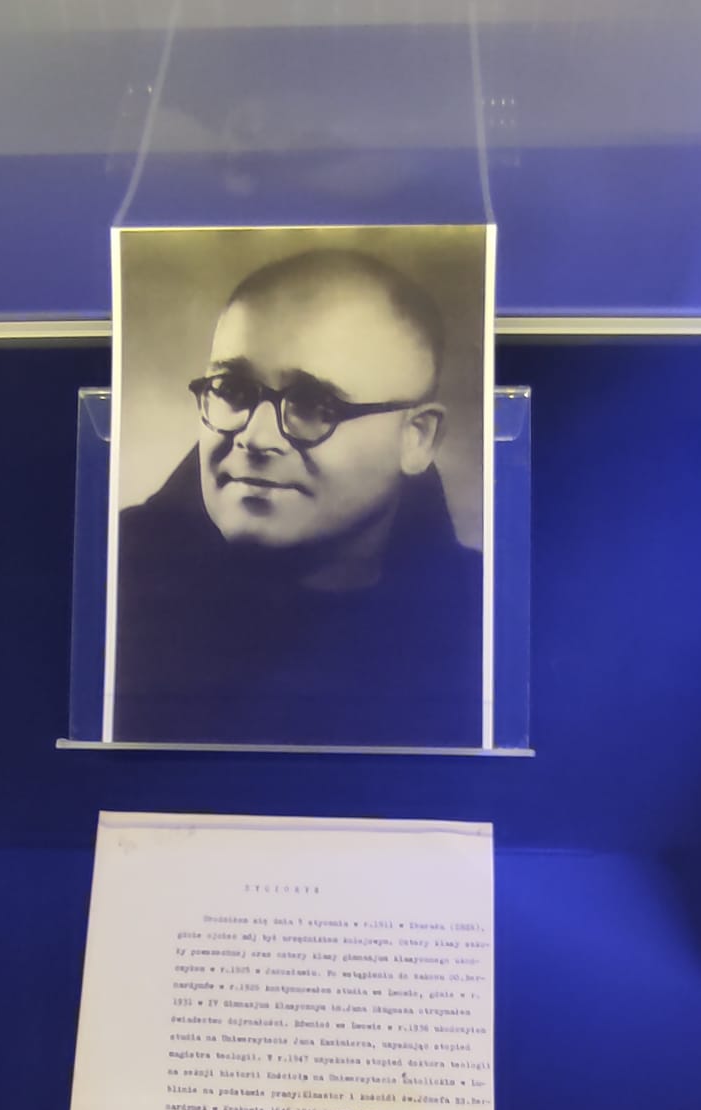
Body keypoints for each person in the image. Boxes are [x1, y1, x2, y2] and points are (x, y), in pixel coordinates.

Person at [110, 248, 485, 748]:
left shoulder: (480, 618)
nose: (256, 437)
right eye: (232, 389)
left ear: (417, 438)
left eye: (314, 404)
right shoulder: (113, 579)